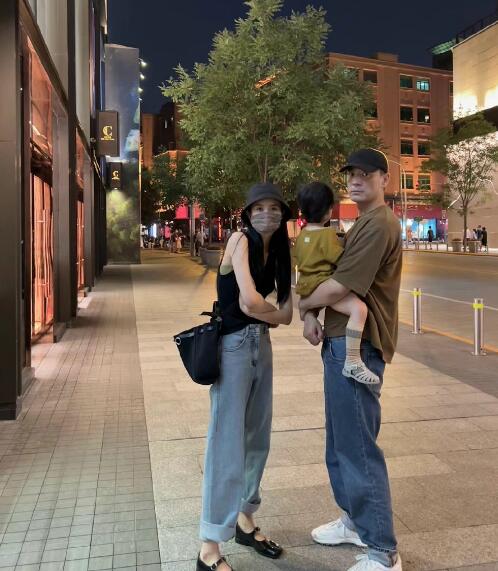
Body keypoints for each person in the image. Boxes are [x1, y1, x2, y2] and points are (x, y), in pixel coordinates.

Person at [299, 149, 403, 571]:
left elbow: (341, 286)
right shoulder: (359, 223)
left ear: (384, 180)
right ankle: (355, 522)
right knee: (341, 443)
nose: (356, 180)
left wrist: (303, 305)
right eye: (351, 175)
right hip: (340, 341)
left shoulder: (379, 224)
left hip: (360, 346)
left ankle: (382, 551)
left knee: (358, 447)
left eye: (366, 174)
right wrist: (311, 314)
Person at [198, 182, 293, 571]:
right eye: (259, 208)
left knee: (258, 438)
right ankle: (209, 548)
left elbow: (286, 311)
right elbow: (251, 300)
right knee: (226, 442)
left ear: (283, 215)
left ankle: (244, 519)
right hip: (233, 347)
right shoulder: (239, 240)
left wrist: (271, 314)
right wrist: (274, 314)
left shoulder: (281, 251)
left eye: (274, 208)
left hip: (261, 345)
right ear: (248, 214)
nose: (266, 214)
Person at [294, 181, 379, 384]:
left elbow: (298, 258)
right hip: (323, 283)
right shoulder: (327, 235)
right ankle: (353, 361)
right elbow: (339, 258)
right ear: (328, 212)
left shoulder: (302, 235)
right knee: (359, 309)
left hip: (306, 285)